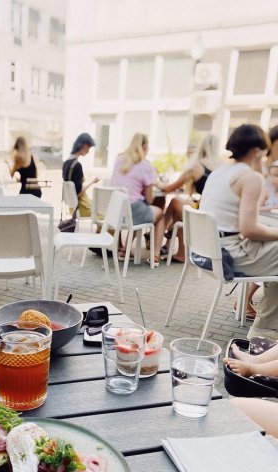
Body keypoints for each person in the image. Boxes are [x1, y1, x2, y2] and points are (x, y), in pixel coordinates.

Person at [200, 124, 278, 341]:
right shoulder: (250, 177)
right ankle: (265, 334)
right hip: (228, 256)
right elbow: (249, 230)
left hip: (205, 252)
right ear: (256, 150)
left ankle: (263, 324)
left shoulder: (219, 172)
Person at [158, 134, 223, 263]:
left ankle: (162, 234)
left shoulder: (196, 167)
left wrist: (156, 183)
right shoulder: (222, 167)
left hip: (203, 212)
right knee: (178, 211)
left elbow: (169, 188)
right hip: (216, 212)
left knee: (175, 201)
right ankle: (172, 241)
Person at [110, 133, 165, 265]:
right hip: (132, 210)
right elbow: (150, 199)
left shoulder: (119, 160)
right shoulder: (145, 165)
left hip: (115, 211)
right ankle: (155, 255)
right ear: (145, 146)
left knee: (140, 209)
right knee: (159, 214)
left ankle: (126, 249)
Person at [62, 133, 99, 218]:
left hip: (72, 207)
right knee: (107, 214)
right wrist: (92, 181)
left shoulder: (66, 163)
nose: (89, 150)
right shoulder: (77, 165)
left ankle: (100, 231)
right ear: (84, 145)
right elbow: (78, 193)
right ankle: (102, 232)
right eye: (89, 147)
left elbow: (73, 187)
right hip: (81, 207)